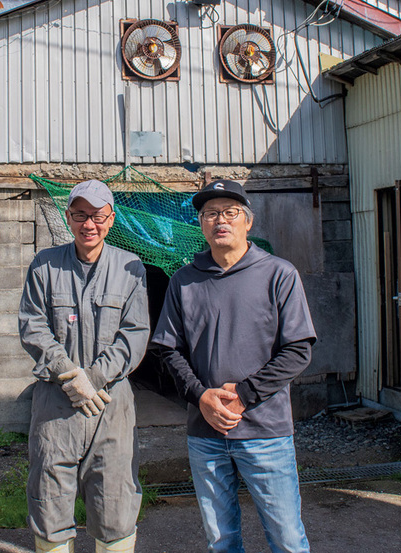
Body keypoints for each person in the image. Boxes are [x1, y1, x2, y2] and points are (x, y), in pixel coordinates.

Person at [150, 179, 316, 553]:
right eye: (210, 213)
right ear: (201, 224)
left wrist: (243, 395)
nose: (220, 220)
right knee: (221, 541)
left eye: (230, 212)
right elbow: (167, 349)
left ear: (248, 221)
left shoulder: (279, 274)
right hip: (205, 434)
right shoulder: (184, 280)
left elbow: (298, 349)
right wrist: (200, 396)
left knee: (287, 539)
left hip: (265, 431)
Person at [18, 179, 150, 553]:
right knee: (49, 500)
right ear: (68, 217)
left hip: (110, 403)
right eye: (80, 215)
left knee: (115, 501)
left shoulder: (130, 268)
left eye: (97, 215)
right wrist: (68, 374)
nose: (88, 224)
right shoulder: (44, 265)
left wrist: (92, 378)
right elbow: (32, 325)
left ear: (111, 218)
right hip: (56, 403)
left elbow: (135, 334)